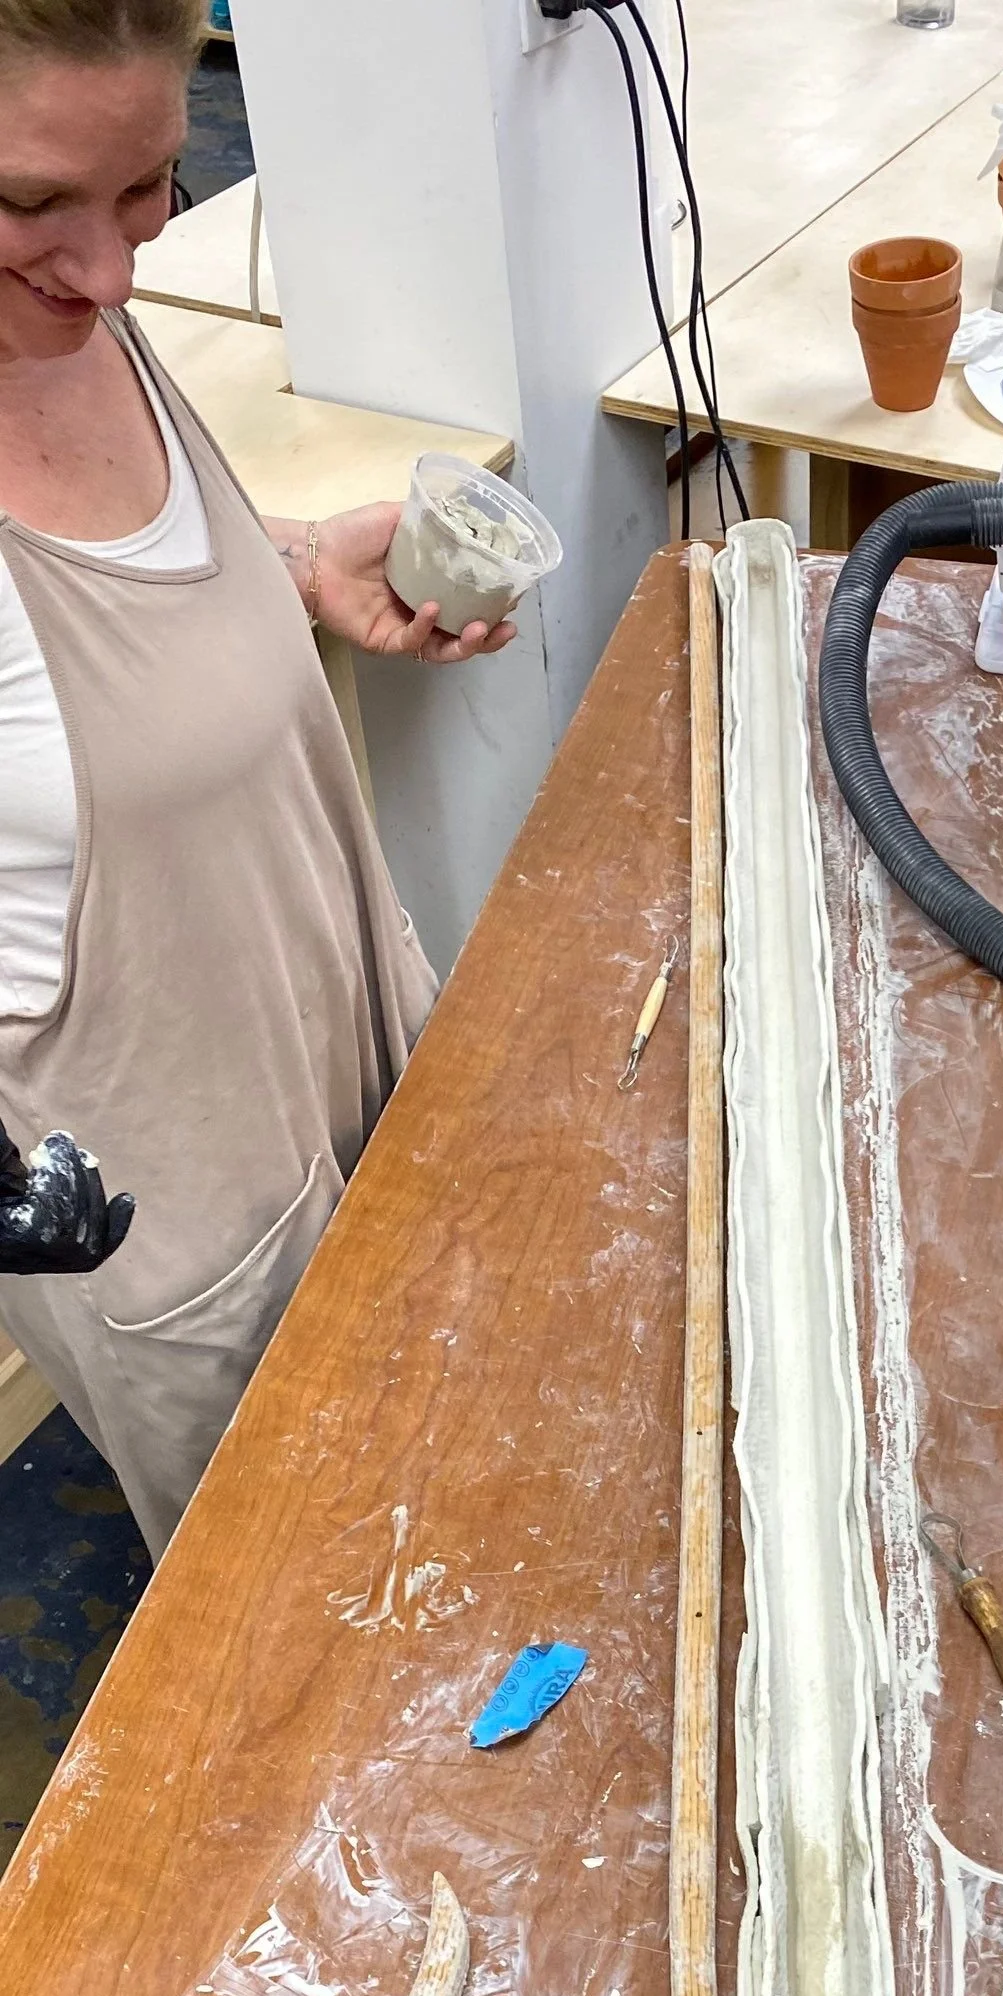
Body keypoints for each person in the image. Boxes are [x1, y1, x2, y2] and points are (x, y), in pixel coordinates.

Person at [0, 0, 516, 1554]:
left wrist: (286, 566)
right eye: (29, 201)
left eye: (148, 184)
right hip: (177, 1213)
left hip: (330, 1032)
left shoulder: (73, 312)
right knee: (320, 1588)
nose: (109, 270)